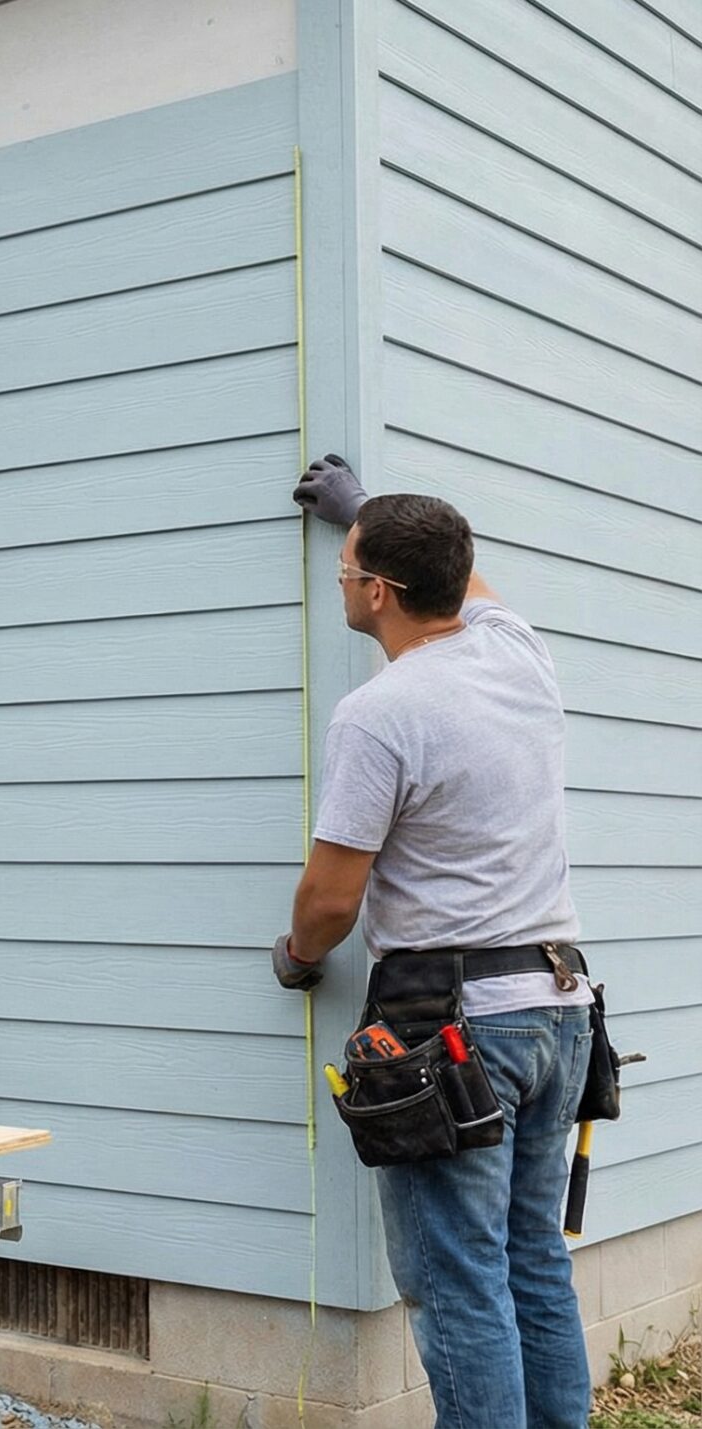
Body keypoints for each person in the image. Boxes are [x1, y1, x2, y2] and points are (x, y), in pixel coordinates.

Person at [274, 456, 594, 1428]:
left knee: (456, 1281)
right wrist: (362, 508)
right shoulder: (516, 649)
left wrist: (295, 957)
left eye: (348, 563)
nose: (339, 576)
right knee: (532, 1256)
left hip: (456, 1031)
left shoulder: (380, 713)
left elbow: (332, 896)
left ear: (377, 590)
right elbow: (471, 581)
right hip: (559, 1006)